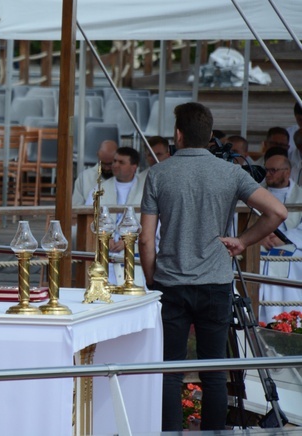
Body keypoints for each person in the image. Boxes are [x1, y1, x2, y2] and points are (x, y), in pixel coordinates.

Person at [139, 102, 287, 431]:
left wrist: (153, 279)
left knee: (170, 372)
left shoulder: (159, 173)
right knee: (215, 373)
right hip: (215, 282)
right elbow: (277, 212)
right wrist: (244, 241)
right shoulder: (230, 172)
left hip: (171, 282)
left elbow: (147, 240)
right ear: (208, 136)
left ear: (178, 134)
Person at [86, 146, 144, 284]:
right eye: (114, 161)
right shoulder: (99, 189)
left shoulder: (146, 190)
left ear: (134, 166)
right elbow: (89, 217)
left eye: (121, 162)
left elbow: (154, 225)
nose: (115, 165)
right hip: (105, 251)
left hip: (134, 251)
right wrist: (104, 236)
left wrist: (129, 241)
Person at [258, 154, 302, 323]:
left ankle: (290, 318)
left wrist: (284, 239)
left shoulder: (300, 196)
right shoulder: (255, 193)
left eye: (273, 170)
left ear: (287, 172)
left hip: (291, 245)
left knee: (290, 261)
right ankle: (261, 318)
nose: (268, 174)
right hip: (260, 245)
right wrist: (259, 238)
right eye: (266, 170)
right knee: (259, 262)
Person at [72, 139, 117, 206]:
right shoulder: (84, 178)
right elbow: (76, 207)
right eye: (103, 164)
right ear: (97, 156)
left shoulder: (126, 179)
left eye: (110, 164)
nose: (106, 168)